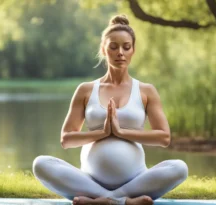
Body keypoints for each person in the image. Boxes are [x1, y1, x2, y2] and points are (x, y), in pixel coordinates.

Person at [32, 14, 188, 205]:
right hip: (89, 180)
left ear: (133, 50)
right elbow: (66, 139)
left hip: (136, 180)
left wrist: (121, 132)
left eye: (126, 47)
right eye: (113, 47)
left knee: (180, 168)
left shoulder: (146, 91)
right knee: (41, 164)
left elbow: (164, 138)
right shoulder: (86, 90)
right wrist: (103, 132)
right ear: (104, 50)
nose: (120, 52)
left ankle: (105, 201)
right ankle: (124, 201)